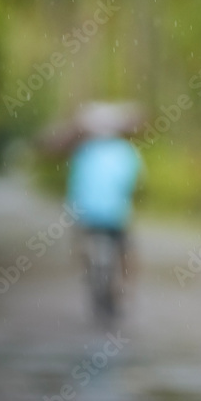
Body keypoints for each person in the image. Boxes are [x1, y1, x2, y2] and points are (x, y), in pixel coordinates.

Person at [64, 103, 144, 321]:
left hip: (85, 215)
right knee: (127, 252)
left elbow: (74, 185)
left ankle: (89, 276)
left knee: (83, 250)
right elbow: (132, 183)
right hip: (115, 215)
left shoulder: (83, 151)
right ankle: (124, 290)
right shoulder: (126, 152)